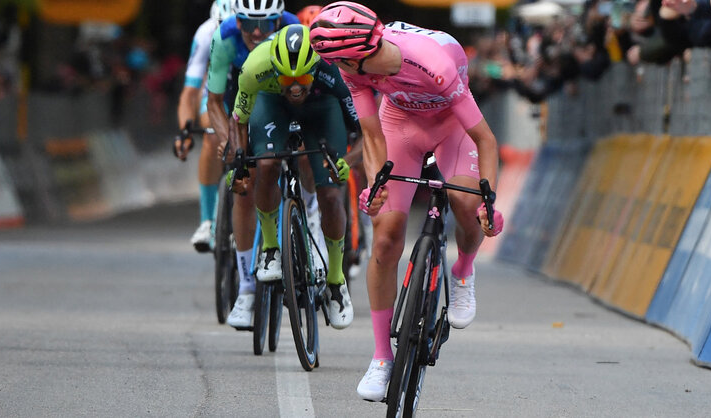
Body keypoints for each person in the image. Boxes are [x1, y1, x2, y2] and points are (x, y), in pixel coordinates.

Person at [309, 1, 505, 401]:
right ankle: (382, 357)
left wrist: (488, 200)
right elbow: (372, 135)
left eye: (345, 64)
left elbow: (485, 139)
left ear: (365, 53)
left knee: (465, 202)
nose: (341, 72)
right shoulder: (351, 63)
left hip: (454, 126)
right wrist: (378, 184)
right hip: (400, 124)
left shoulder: (433, 63)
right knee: (385, 235)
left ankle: (464, 269)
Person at [225, 23, 358, 329]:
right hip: (272, 106)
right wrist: (241, 160)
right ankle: (271, 248)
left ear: (314, 69)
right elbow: (238, 120)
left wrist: (347, 161)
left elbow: (366, 130)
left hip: (321, 108)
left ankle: (337, 281)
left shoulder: (331, 69)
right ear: (275, 69)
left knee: (330, 192)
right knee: (268, 165)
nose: (295, 87)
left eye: (301, 79)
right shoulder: (254, 68)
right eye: (287, 79)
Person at [205, 0, 305, 329]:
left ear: (280, 19)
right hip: (241, 91)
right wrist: (231, 143)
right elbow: (215, 102)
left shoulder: (294, 31)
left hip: (283, 90)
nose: (258, 32)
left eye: (267, 24)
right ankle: (247, 289)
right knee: (243, 181)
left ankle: (310, 221)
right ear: (238, 21)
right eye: (249, 24)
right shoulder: (224, 36)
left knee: (303, 154)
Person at [173, 0, 234, 253]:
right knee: (211, 135)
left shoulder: (258, 31)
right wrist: (185, 132)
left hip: (248, 84)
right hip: (217, 88)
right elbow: (189, 93)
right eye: (221, 27)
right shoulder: (205, 33)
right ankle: (208, 220)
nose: (226, 35)